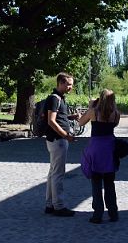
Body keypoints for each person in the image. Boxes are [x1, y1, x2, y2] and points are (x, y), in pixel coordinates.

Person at [78, 89, 121, 223]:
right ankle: (113, 213)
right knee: (109, 182)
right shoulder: (116, 114)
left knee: (96, 182)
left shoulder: (94, 111)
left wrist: (91, 106)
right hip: (110, 148)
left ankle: (98, 214)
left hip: (96, 148)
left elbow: (80, 122)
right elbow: (114, 124)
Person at [43, 72, 78, 217]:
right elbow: (51, 120)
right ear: (61, 83)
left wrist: (70, 117)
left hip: (55, 140)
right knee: (58, 174)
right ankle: (59, 206)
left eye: (71, 84)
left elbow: (57, 116)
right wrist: (66, 135)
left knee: (52, 173)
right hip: (58, 140)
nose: (71, 87)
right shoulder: (54, 98)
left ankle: (50, 204)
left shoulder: (58, 98)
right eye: (68, 84)